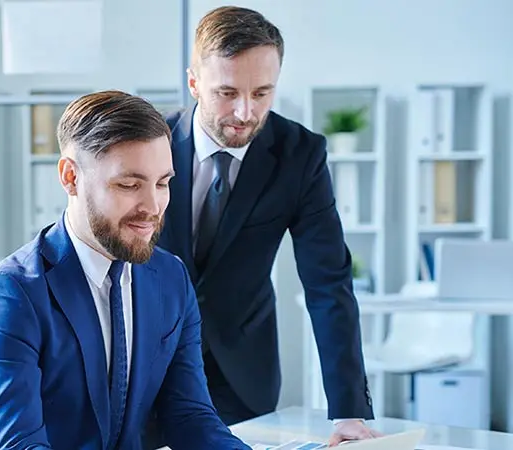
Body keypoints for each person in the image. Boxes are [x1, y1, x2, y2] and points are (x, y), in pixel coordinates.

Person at [0, 90, 251, 450]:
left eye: (162, 184)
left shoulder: (170, 279)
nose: (153, 206)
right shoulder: (8, 298)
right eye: (128, 185)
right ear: (70, 177)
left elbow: (189, 416)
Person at [156, 6, 382, 446]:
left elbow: (328, 283)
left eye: (262, 93)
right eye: (227, 92)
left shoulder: (301, 155)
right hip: (148, 361)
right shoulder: (149, 144)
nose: (245, 112)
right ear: (194, 82)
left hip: (242, 373)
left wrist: (349, 408)